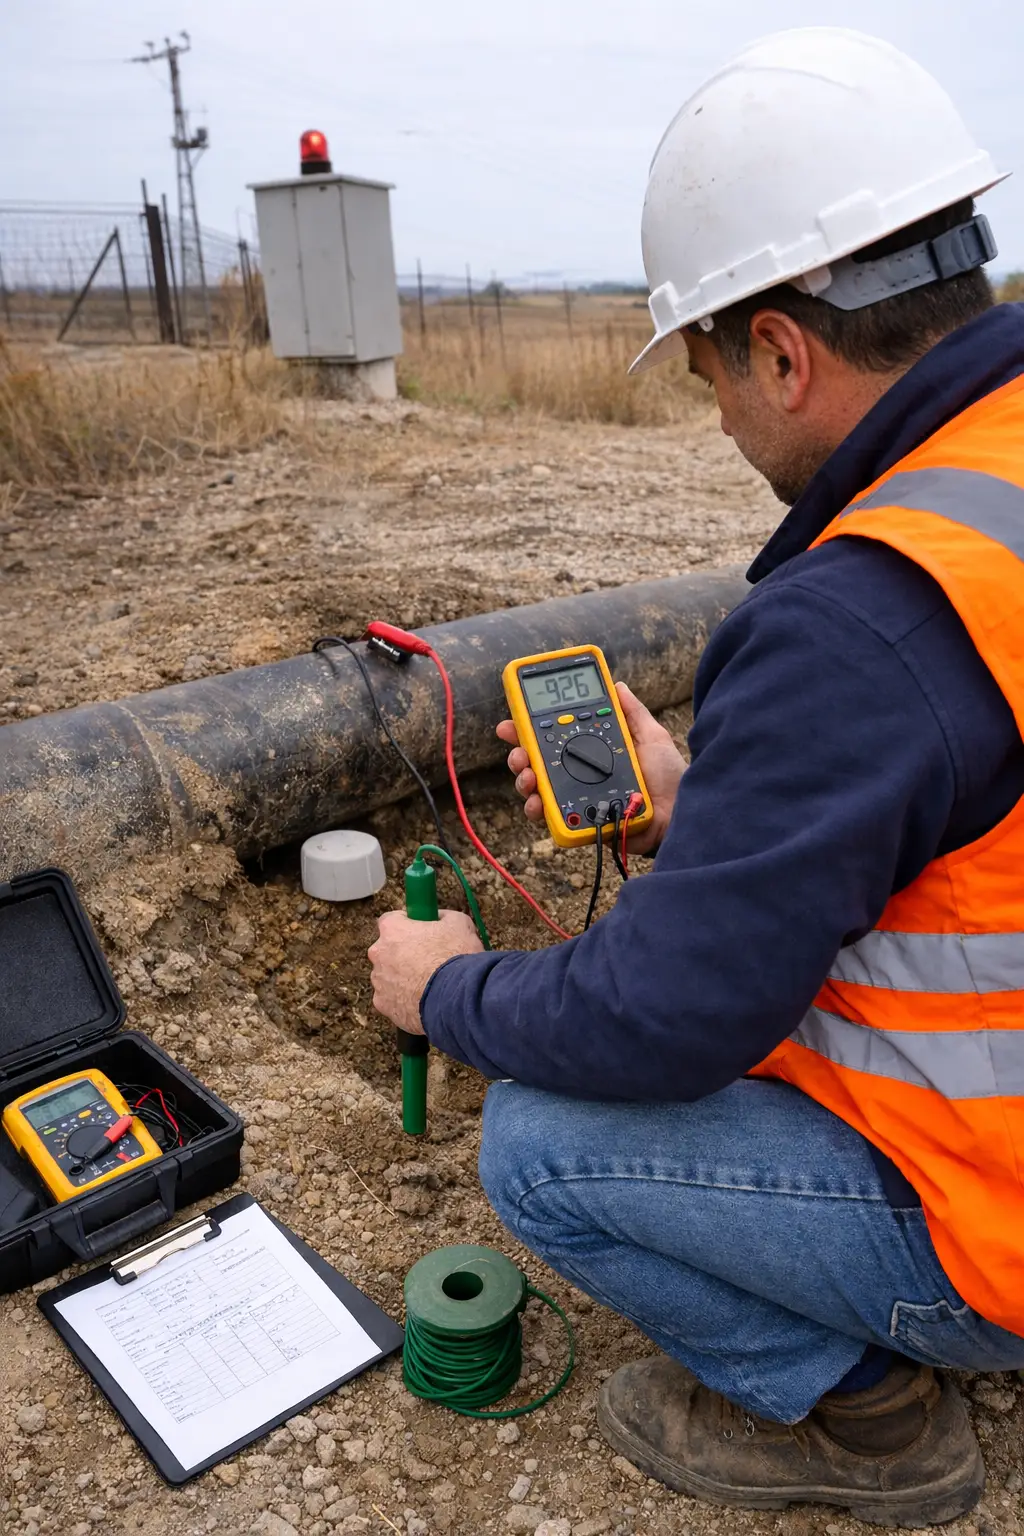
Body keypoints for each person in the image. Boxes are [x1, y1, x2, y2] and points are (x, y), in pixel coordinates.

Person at [368, 27, 1024, 1525]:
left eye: (714, 373)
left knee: (539, 1143)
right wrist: (716, 813)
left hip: (1002, 1229)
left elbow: (662, 1018)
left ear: (784, 351)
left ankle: (867, 1420)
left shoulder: (866, 618)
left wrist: (446, 994)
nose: (721, 416)